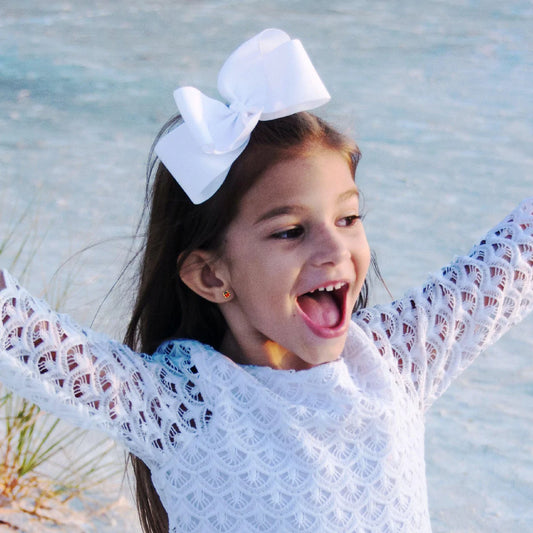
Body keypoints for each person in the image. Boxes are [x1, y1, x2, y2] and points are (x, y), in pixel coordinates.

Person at [0, 28, 531, 533]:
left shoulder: (393, 359)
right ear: (211, 275)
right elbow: (23, 334)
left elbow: (515, 258)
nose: (334, 250)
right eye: (291, 231)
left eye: (348, 218)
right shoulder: (182, 405)